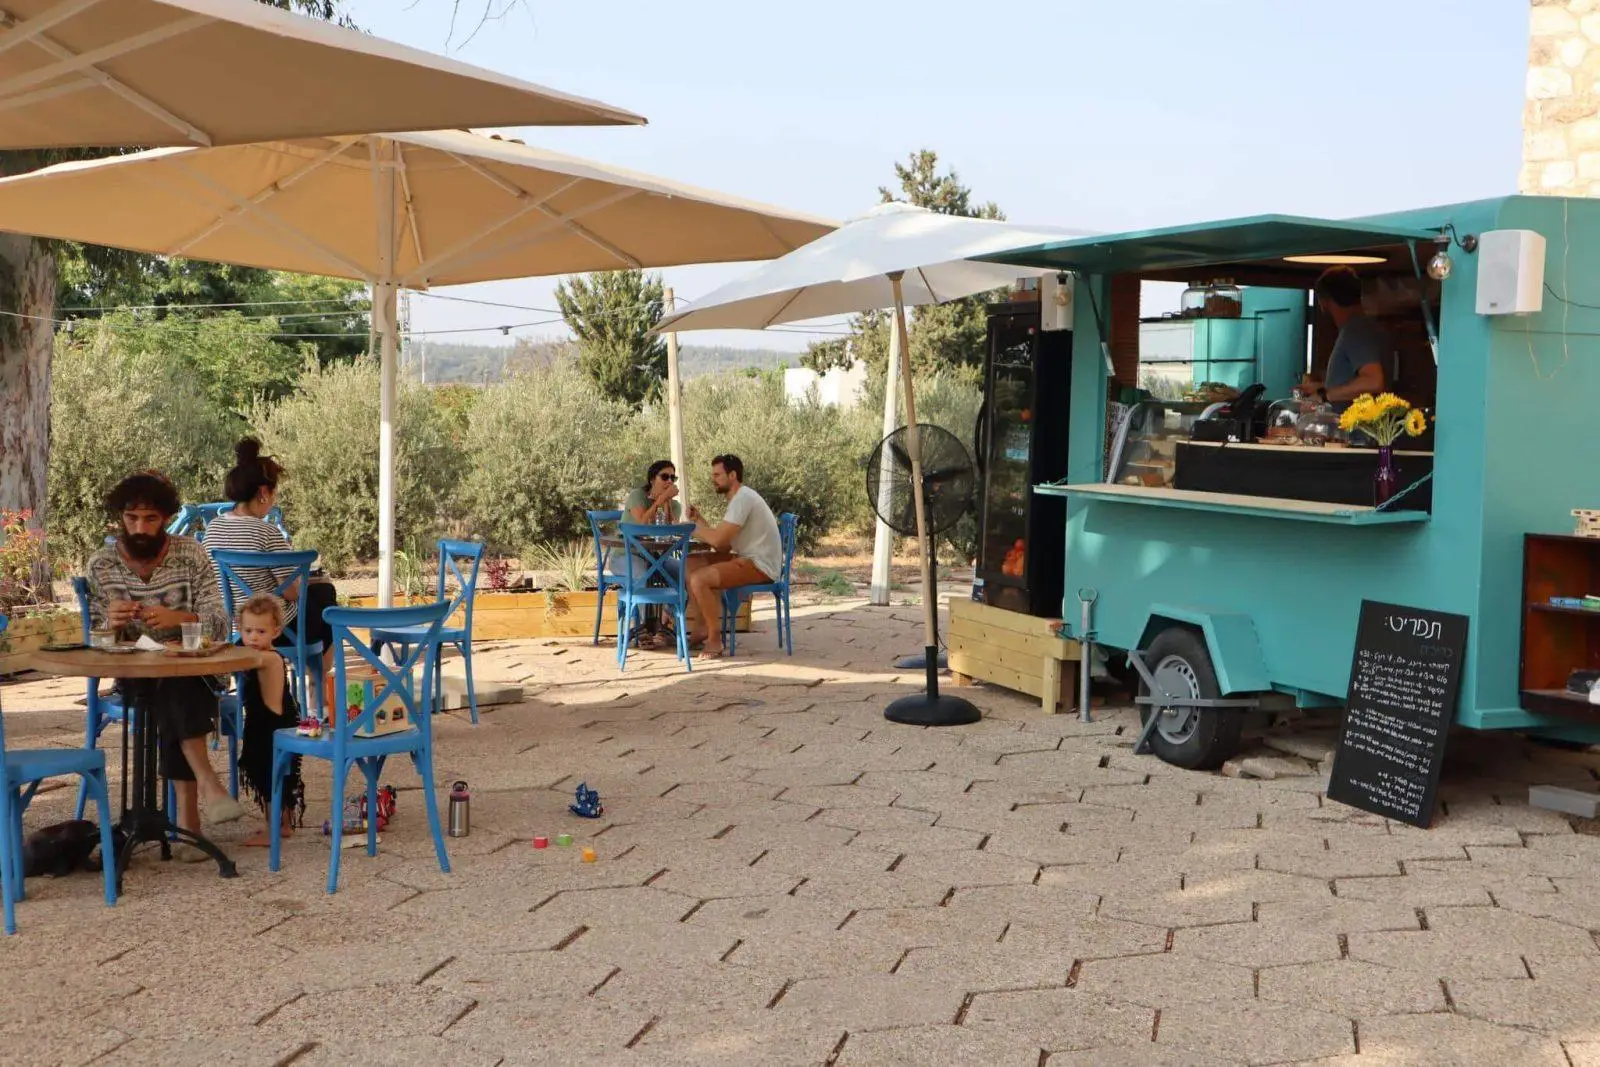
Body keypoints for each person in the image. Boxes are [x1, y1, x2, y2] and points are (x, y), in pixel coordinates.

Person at [86, 471, 246, 852]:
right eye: (131, 518)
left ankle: (189, 817)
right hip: (133, 675)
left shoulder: (190, 553)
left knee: (176, 686)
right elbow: (90, 638)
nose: (140, 528)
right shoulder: (102, 564)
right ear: (120, 518)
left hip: (192, 672)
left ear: (167, 518)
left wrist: (182, 618)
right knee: (169, 690)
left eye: (150, 519)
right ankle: (201, 797)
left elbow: (221, 622)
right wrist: (110, 622)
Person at [206, 438, 334, 674]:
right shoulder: (267, 532)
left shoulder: (213, 528)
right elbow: (291, 593)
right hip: (275, 629)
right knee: (326, 593)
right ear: (264, 492)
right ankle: (317, 679)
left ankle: (310, 676)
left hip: (238, 628)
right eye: (274, 493)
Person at [686, 454, 783, 660]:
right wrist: (699, 520)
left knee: (699, 579)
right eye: (712, 475)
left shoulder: (743, 499)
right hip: (746, 558)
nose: (713, 479)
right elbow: (723, 544)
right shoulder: (738, 499)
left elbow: (719, 541)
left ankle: (714, 639)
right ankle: (702, 626)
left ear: (732, 475)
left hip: (760, 565)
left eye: (717, 475)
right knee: (690, 563)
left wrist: (691, 528)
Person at [234, 594, 305, 848]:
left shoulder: (268, 657)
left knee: (269, 774)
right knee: (267, 774)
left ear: (276, 632)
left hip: (274, 724)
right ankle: (280, 825)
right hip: (262, 721)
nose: (253, 637)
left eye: (261, 631)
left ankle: (275, 828)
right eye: (248, 631)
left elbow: (243, 659)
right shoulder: (258, 654)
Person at [1300, 266, 1392, 411]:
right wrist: (1322, 387)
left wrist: (1324, 396)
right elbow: (1355, 382)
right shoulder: (1367, 327)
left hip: (1355, 425)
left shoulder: (1356, 330)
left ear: (1324, 301)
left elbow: (1374, 382)